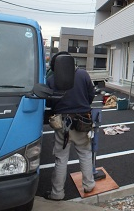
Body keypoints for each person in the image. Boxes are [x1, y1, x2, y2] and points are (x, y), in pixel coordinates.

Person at [44, 51, 95, 201]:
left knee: (61, 158)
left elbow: (48, 102)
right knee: (85, 153)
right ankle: (89, 185)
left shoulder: (52, 80)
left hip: (62, 123)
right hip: (82, 121)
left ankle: (57, 193)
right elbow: (91, 94)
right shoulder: (83, 74)